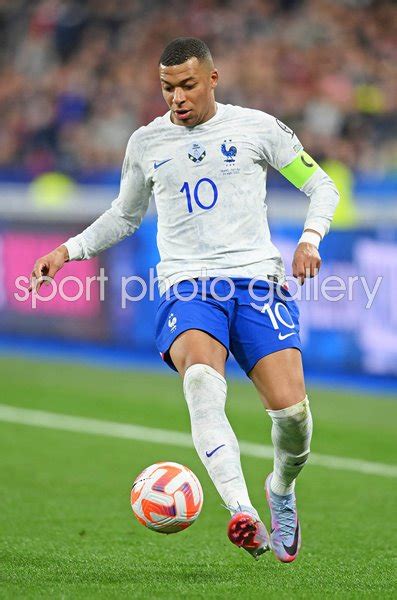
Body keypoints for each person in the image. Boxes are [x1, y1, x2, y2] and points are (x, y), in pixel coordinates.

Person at [30, 37, 339, 562]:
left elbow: (322, 187)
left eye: (188, 86)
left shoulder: (256, 128)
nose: (177, 98)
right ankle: (242, 510)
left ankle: (280, 492)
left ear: (213, 79)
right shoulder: (146, 143)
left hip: (257, 281)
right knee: (200, 380)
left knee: (292, 417)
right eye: (167, 88)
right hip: (188, 286)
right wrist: (68, 251)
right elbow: (123, 216)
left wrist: (310, 239)